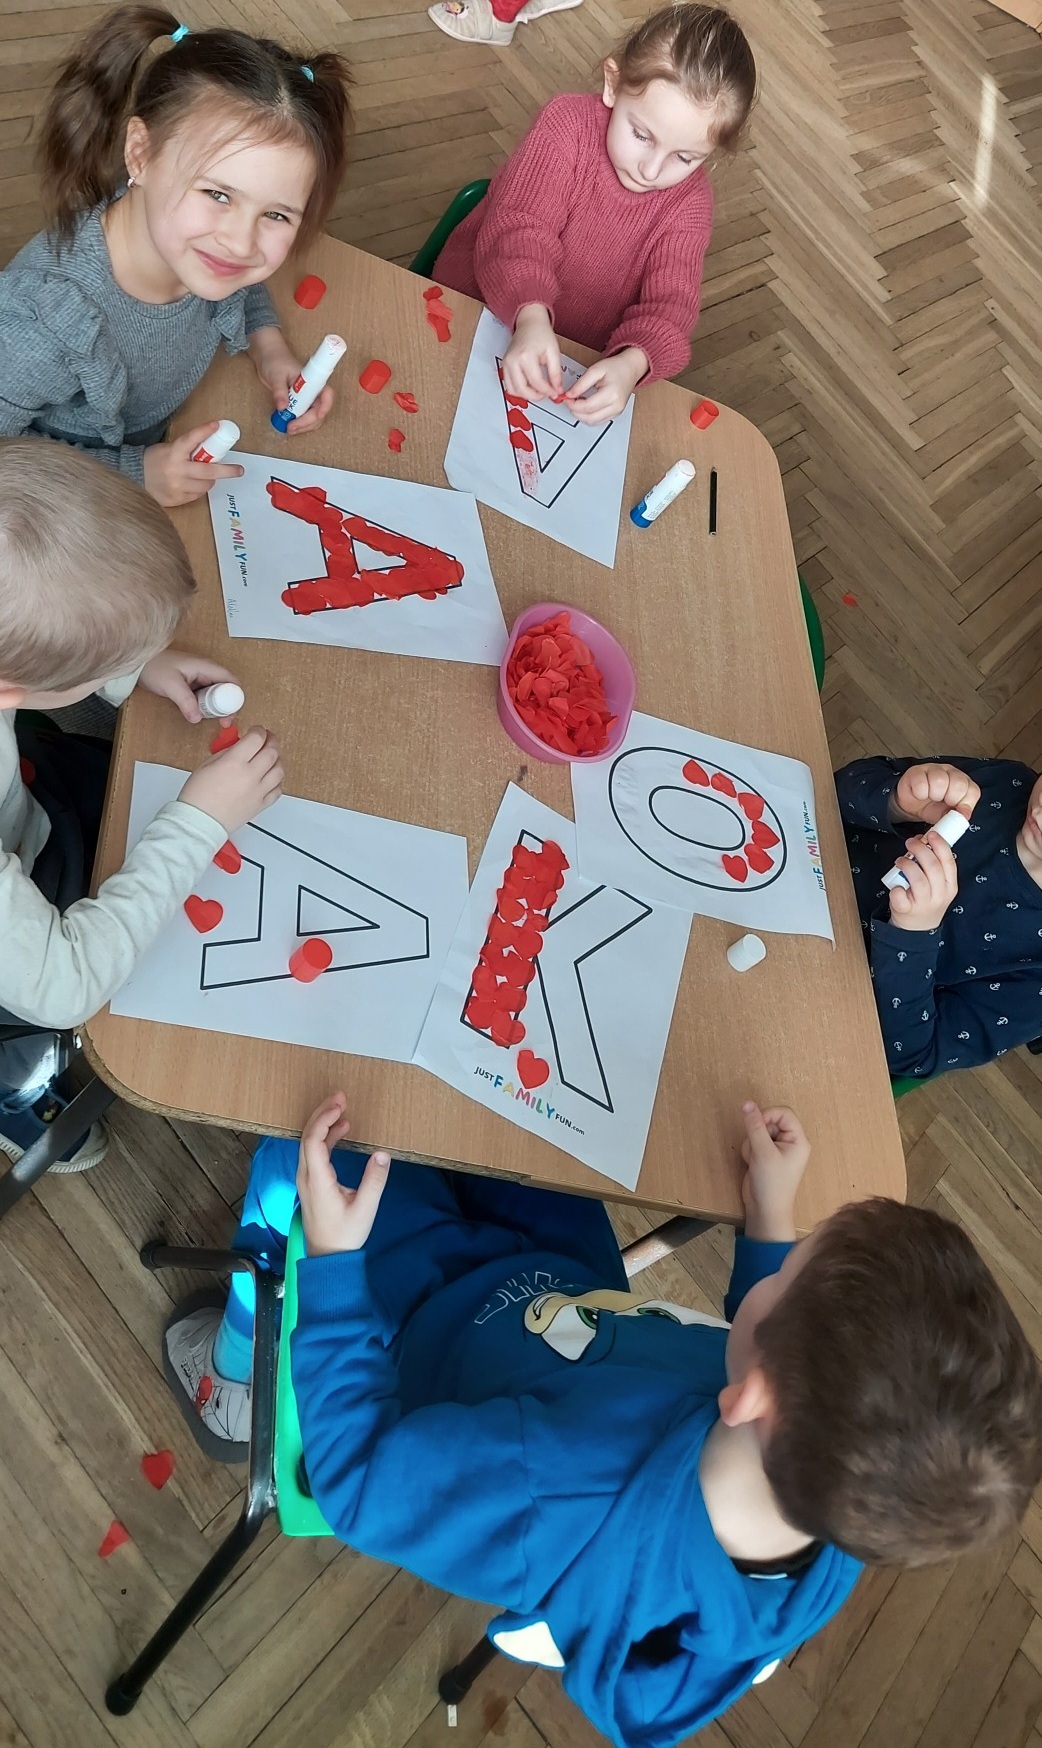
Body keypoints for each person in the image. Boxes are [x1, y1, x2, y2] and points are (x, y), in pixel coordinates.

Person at [163, 1093, 1042, 1748]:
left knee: (299, 1147)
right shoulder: (836, 1499)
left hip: (430, 1319)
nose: (774, 1270)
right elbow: (768, 1358)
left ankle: (233, 1367)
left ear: (753, 1401)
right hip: (565, 1293)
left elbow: (358, 1484)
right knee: (511, 1105)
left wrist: (332, 1266)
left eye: (783, 1274)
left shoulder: (555, 1493)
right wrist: (770, 1228)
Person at [0, 437, 284, 1170]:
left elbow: (42, 582)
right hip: (20, 982)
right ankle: (17, 1096)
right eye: (101, 664)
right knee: (24, 1038)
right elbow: (63, 987)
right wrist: (197, 825)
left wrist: (135, 661)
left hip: (24, 812)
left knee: (99, 785)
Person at [0, 6, 352, 508]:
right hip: (69, 500)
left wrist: (268, 346)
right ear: (140, 154)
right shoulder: (42, 324)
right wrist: (134, 474)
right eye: (218, 194)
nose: (240, 243)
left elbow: (239, 280)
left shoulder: (190, 245)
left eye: (276, 214)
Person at [430, 5, 755, 421]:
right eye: (641, 135)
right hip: (469, 308)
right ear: (613, 84)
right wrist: (530, 317)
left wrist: (632, 363)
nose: (651, 170)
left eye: (685, 157)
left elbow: (671, 307)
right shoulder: (565, 125)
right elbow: (519, 232)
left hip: (569, 360)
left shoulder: (690, 203)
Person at [836, 755, 1042, 1077]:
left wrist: (913, 935)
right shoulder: (1004, 781)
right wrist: (896, 802)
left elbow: (909, 1056)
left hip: (825, 995)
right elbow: (835, 788)